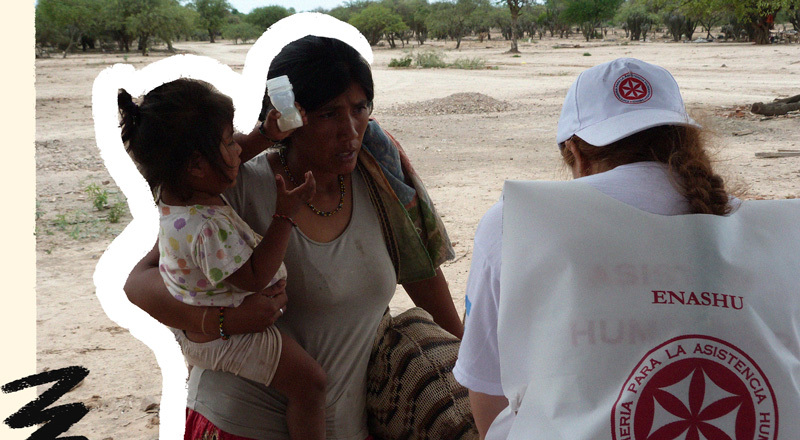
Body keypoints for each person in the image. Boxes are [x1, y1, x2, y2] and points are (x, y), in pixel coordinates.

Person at [124, 35, 464, 440]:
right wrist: (222, 320)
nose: (351, 131)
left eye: (360, 109)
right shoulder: (235, 185)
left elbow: (420, 272)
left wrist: (475, 366)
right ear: (292, 115)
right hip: (241, 425)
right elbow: (140, 282)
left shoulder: (379, 177)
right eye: (328, 114)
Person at [453, 58, 736, 438]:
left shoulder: (513, 222)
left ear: (577, 153)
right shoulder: (743, 222)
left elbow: (487, 387)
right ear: (686, 142)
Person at [118, 78, 327, 440]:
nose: (239, 149)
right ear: (198, 166)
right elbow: (254, 277)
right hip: (232, 336)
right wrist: (285, 215)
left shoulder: (177, 188)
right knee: (311, 384)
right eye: (229, 141)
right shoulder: (206, 227)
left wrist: (266, 133)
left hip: (204, 326)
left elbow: (230, 154)